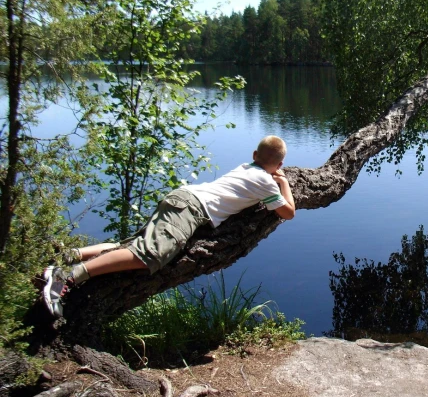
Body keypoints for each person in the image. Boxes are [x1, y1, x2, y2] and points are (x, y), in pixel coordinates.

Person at [43, 135, 295, 318]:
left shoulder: (245, 167)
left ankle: (69, 255)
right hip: (191, 209)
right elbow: (288, 212)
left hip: (182, 197)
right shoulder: (266, 182)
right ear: (279, 165)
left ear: (254, 155)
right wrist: (283, 183)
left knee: (130, 247)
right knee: (150, 254)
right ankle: (68, 276)